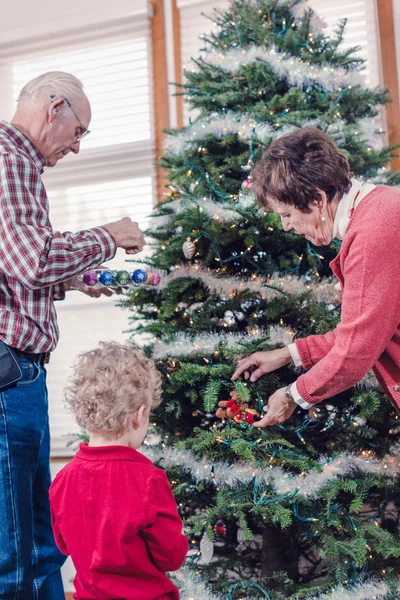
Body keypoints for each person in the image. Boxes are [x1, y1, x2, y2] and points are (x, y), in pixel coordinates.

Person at [0, 71, 146, 598]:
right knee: (18, 553)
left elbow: (15, 268)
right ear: (53, 108)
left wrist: (74, 279)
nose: (78, 147)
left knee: (38, 544)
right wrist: (108, 236)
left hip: (17, 377)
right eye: (78, 130)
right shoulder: (11, 158)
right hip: (8, 381)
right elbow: (33, 258)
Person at [231, 128, 400, 428]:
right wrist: (288, 354)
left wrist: (292, 395)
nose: (285, 226)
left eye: (286, 214)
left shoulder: (372, 234)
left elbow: (355, 352)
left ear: (318, 200)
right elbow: (367, 327)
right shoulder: (381, 206)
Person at [49, 342, 188, 600]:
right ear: (139, 416)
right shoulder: (148, 480)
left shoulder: (63, 480)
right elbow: (171, 556)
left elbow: (63, 544)